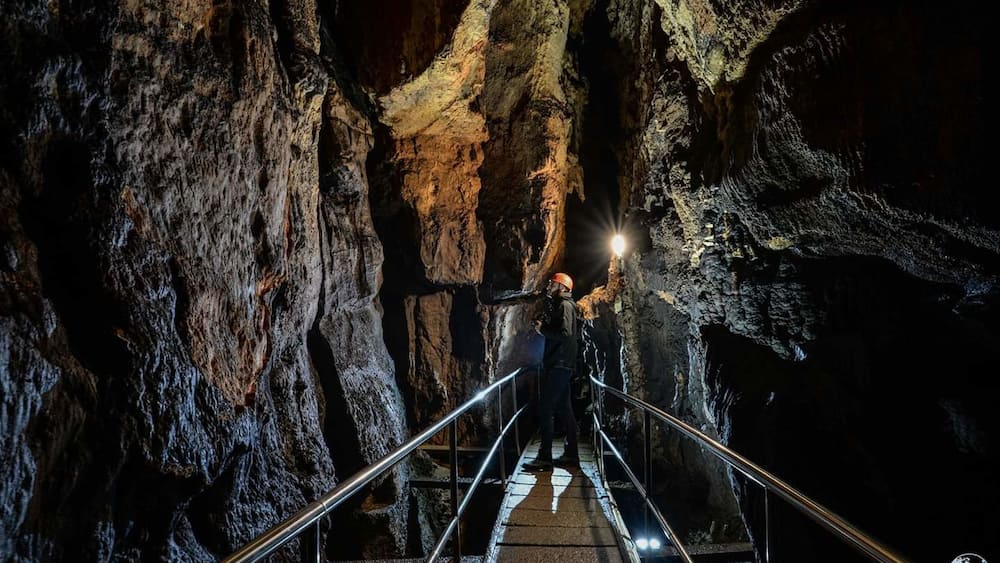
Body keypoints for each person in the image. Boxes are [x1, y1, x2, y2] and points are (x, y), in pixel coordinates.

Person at [523, 272, 580, 472]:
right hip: (561, 363)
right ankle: (572, 455)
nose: (550, 286)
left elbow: (566, 334)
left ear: (563, 287)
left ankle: (545, 458)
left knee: (546, 407)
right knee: (565, 408)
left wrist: (542, 331)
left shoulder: (565, 306)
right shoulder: (561, 306)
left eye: (553, 284)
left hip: (560, 364)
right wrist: (544, 325)